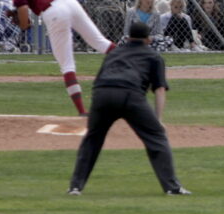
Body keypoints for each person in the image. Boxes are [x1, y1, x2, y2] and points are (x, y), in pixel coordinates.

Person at [67, 20, 190, 197]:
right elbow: (160, 89)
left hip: (102, 94)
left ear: (128, 37)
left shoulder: (114, 52)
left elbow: (99, 80)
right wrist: (159, 119)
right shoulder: (153, 56)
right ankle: (172, 187)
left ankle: (75, 187)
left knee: (92, 139)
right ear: (148, 39)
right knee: (156, 137)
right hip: (130, 95)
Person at [8, 0, 115, 114]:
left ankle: (82, 111)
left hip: (53, 11)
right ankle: (136, 63)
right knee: (99, 42)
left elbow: (21, 7)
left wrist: (23, 24)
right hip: (70, 2)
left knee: (67, 64)